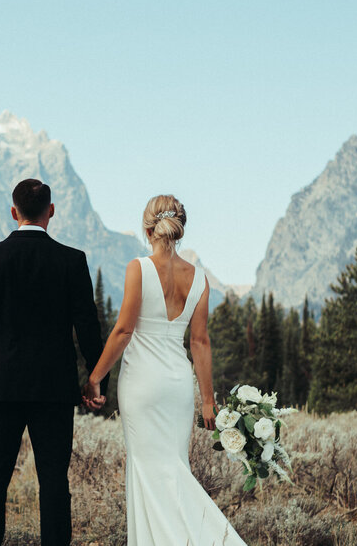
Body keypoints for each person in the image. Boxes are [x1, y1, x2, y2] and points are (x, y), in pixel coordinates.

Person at [83, 195, 247, 545]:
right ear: (179, 230)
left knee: (148, 474)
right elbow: (200, 342)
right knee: (174, 471)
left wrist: (95, 378)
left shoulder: (138, 268)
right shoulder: (199, 278)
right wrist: (207, 400)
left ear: (148, 230)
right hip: (177, 388)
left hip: (142, 385)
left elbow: (124, 331)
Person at [0, 178, 108, 546]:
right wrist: (96, 380)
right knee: (55, 484)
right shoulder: (72, 261)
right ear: (51, 211)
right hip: (54, 389)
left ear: (14, 213)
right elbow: (87, 326)